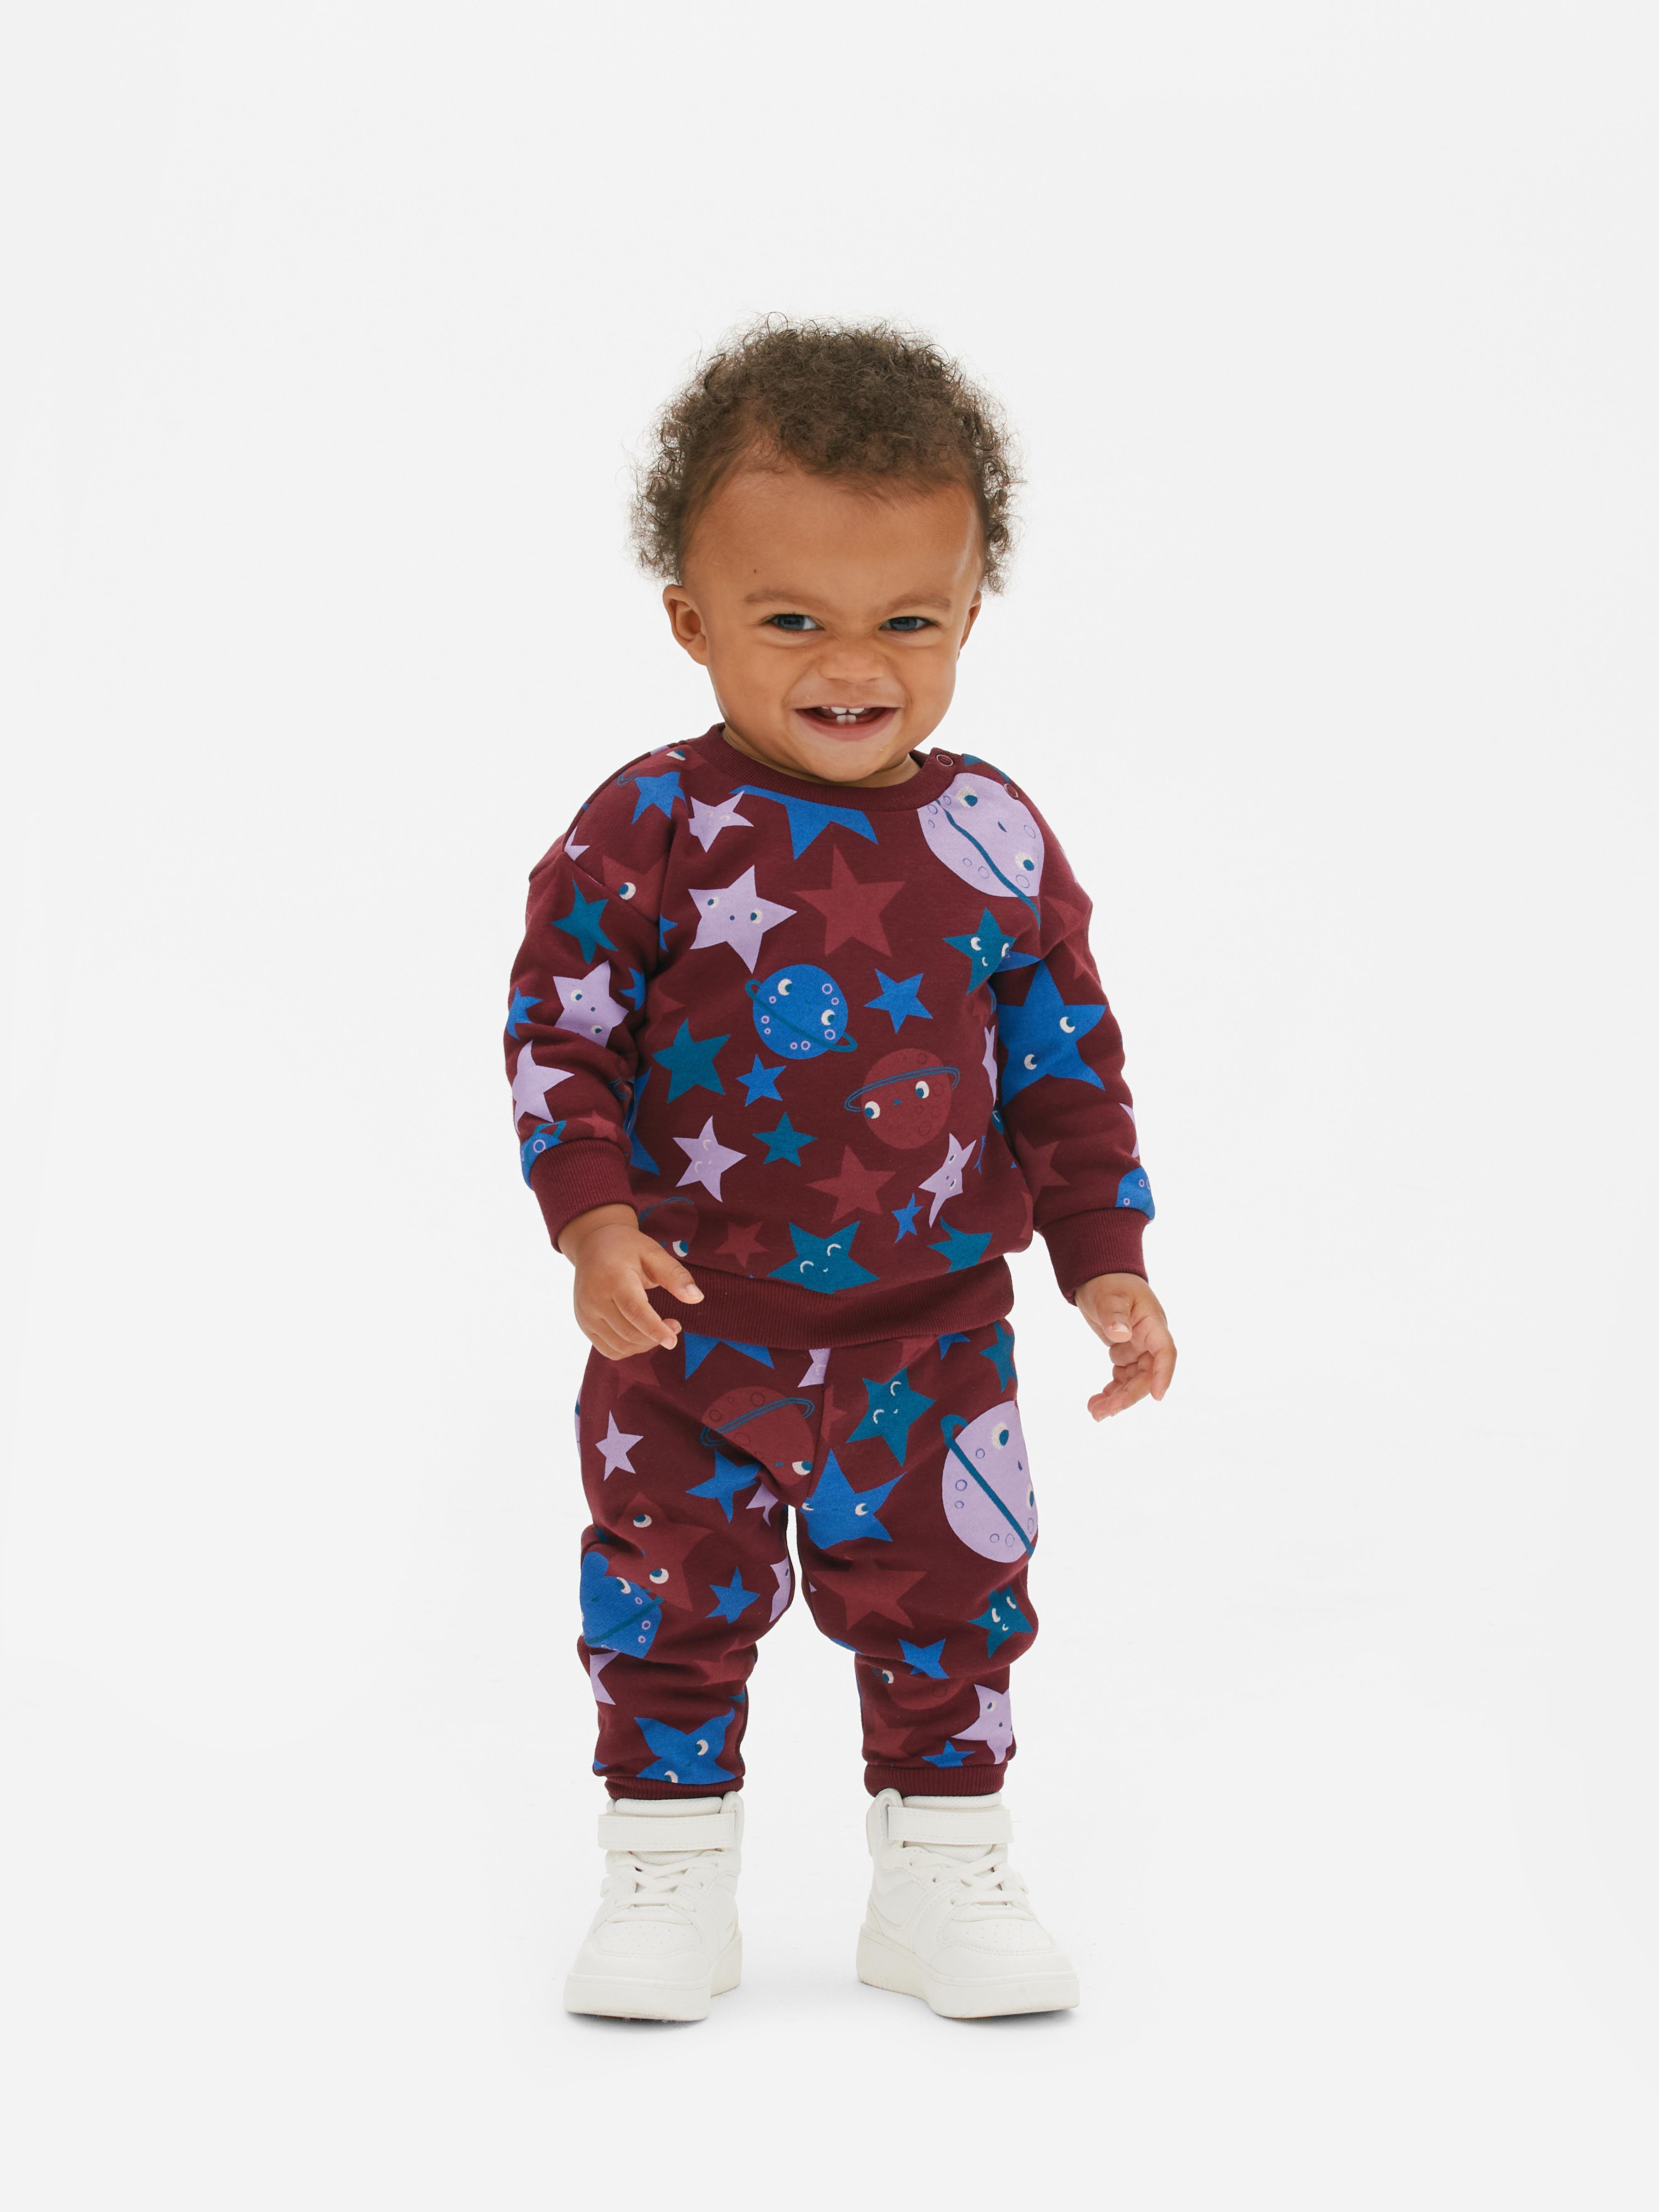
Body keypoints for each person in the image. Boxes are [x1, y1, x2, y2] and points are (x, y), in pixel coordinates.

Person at [505, 319, 1177, 2022]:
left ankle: (940, 1877)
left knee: (956, 1599)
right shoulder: (648, 826)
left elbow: (1065, 1063)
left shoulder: (991, 837)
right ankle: (666, 1874)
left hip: (930, 1334)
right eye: (792, 619)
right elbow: (560, 1032)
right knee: (664, 1598)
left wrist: (1105, 1255)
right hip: (687, 1333)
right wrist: (591, 1221)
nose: (852, 663)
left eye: (908, 621)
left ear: (969, 611)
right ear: (693, 620)